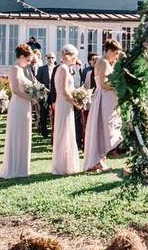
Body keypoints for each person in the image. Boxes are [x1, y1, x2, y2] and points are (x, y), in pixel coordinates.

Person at [83, 39, 124, 172]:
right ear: (110, 51)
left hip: (107, 98)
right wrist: (118, 86)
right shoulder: (104, 62)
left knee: (103, 128)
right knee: (104, 128)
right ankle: (98, 161)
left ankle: (99, 160)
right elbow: (103, 84)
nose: (116, 56)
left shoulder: (104, 62)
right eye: (116, 53)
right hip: (104, 98)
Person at [2, 44, 38, 178]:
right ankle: (15, 167)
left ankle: (22, 167)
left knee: (24, 134)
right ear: (22, 57)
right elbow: (16, 90)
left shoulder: (21, 70)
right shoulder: (15, 69)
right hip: (19, 104)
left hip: (24, 104)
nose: (29, 63)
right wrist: (32, 98)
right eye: (28, 60)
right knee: (18, 133)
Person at [51, 44, 80, 175]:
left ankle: (67, 164)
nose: (76, 59)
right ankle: (62, 165)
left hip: (65, 103)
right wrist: (75, 102)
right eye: (75, 56)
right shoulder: (62, 69)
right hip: (63, 103)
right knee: (64, 131)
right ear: (69, 56)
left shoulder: (65, 68)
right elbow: (63, 91)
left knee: (67, 131)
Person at [35, 52, 56, 138]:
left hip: (55, 94)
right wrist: (43, 89)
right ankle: (44, 132)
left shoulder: (57, 68)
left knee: (55, 113)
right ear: (46, 58)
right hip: (45, 94)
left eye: (52, 58)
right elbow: (36, 82)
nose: (50, 59)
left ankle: (54, 132)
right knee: (44, 113)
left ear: (54, 59)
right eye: (49, 57)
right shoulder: (41, 69)